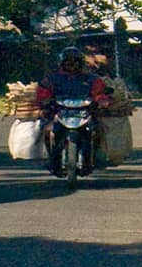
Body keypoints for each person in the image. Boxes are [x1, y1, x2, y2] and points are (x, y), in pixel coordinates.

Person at [35, 46, 110, 175]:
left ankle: (96, 157)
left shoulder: (91, 79)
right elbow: (43, 92)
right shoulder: (52, 78)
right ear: (62, 63)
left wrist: (101, 100)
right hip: (59, 112)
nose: (71, 65)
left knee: (98, 130)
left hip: (85, 112)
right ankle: (52, 159)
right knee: (47, 130)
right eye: (68, 61)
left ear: (80, 63)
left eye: (75, 61)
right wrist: (46, 100)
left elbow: (99, 92)